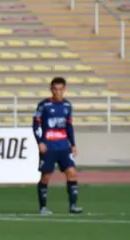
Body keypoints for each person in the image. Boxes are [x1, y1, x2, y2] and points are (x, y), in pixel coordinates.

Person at [33, 76, 82, 215]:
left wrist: (73, 144)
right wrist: (40, 142)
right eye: (55, 89)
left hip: (64, 146)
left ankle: (73, 206)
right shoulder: (44, 105)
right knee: (46, 176)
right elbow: (35, 124)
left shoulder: (67, 106)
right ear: (51, 90)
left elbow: (69, 126)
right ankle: (43, 207)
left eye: (60, 89)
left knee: (71, 173)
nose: (58, 92)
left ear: (64, 89)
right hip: (48, 146)